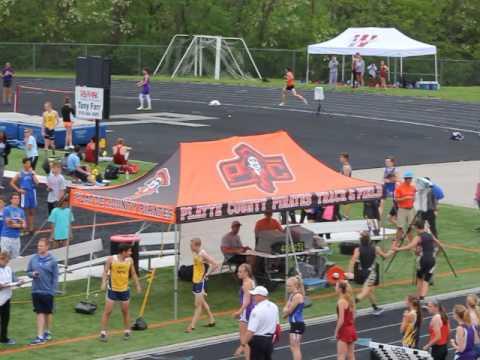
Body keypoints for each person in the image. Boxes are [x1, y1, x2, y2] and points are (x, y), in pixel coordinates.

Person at [100, 244, 142, 342]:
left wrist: (138, 285)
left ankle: (127, 331)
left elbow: (134, 273)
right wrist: (103, 283)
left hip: (124, 290)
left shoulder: (130, 260)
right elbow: (105, 271)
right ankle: (103, 333)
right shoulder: (111, 259)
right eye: (129, 251)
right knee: (107, 312)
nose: (131, 253)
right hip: (112, 289)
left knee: (125, 311)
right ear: (123, 252)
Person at [393, 219, 442, 301]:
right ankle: (422, 298)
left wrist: (397, 249)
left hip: (423, 259)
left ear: (416, 227)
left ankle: (418, 296)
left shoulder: (418, 237)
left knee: (419, 278)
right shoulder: (430, 235)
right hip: (432, 260)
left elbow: (410, 246)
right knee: (426, 279)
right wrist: (436, 254)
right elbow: (440, 244)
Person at [347, 232, 392, 315]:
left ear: (360, 240)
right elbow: (385, 256)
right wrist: (392, 250)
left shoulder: (357, 249)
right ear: (369, 240)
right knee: (364, 292)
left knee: (369, 291)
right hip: (371, 274)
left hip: (361, 272)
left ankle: (375, 308)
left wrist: (349, 273)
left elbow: (352, 260)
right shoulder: (375, 248)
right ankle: (349, 305)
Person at [27, 238, 59, 345]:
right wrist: (32, 274)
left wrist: (53, 290)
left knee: (48, 313)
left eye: (41, 246)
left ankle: (47, 332)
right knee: (40, 312)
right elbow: (28, 271)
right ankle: (40, 336)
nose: (39, 247)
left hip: (48, 291)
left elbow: (55, 277)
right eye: (38, 245)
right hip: (36, 291)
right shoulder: (33, 259)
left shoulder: (53, 260)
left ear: (47, 247)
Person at [186, 238, 220, 333]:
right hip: (195, 280)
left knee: (197, 305)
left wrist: (207, 275)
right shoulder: (194, 252)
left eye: (191, 245)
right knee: (203, 302)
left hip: (200, 281)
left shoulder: (202, 253)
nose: (190, 247)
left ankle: (191, 326)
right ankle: (212, 320)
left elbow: (215, 264)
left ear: (196, 245)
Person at [241, 285, 279, 360]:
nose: (253, 297)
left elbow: (251, 331)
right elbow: (277, 324)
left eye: (255, 295)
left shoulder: (256, 310)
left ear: (261, 296)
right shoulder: (274, 306)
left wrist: (243, 344)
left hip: (258, 341)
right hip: (269, 340)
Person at [10, 158, 39, 234]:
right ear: (24, 164)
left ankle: (31, 228)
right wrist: (19, 190)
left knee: (32, 211)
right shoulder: (20, 173)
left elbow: (37, 182)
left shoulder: (32, 172)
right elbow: (12, 182)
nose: (28, 165)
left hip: (32, 193)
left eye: (29, 163)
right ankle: (23, 227)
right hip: (25, 194)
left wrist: (32, 173)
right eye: (27, 163)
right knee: (24, 211)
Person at [233, 263, 256, 359]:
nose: (238, 273)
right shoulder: (251, 281)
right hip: (252, 310)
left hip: (247, 312)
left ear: (246, 272)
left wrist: (239, 312)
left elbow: (247, 301)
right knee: (249, 338)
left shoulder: (246, 284)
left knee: (244, 338)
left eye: (240, 271)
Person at [283, 276, 305, 360]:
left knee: (295, 347)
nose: (287, 288)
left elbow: (289, 310)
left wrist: (284, 315)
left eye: (289, 286)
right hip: (294, 324)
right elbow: (286, 307)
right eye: (287, 285)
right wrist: (286, 311)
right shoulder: (292, 295)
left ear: (295, 286)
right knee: (294, 347)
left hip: (297, 324)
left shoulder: (297, 296)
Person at [335, 281, 357, 360]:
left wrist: (336, 331)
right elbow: (354, 315)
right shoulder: (350, 299)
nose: (335, 288)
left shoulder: (341, 302)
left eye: (336, 286)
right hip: (351, 329)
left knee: (341, 356)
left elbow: (341, 320)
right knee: (351, 355)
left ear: (340, 289)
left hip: (344, 331)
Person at [0, 251, 18, 345]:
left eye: (8, 261)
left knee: (5, 319)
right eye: (6, 261)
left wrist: (20, 281)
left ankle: (3, 338)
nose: (7, 263)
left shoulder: (9, 269)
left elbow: (15, 279)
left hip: (6, 298)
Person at [394, 171, 416, 246]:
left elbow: (414, 196)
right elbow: (396, 199)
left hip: (411, 209)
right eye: (408, 178)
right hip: (402, 210)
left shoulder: (413, 187)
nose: (410, 180)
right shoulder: (399, 188)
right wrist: (405, 198)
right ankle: (396, 243)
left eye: (411, 178)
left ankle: (411, 243)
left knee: (411, 227)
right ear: (405, 179)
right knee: (400, 227)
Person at [0, 193, 25, 259]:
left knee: (15, 257)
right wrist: (20, 224)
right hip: (6, 237)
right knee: (4, 257)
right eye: (15, 198)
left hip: (16, 237)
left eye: (18, 198)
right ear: (11, 200)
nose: (17, 200)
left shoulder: (21, 211)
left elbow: (24, 225)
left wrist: (15, 223)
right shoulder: (6, 209)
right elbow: (9, 224)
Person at [339, 153, 352, 220]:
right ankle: (344, 215)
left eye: (341, 158)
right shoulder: (344, 166)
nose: (340, 159)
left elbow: (346, 178)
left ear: (345, 158)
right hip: (344, 186)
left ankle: (346, 215)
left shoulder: (346, 167)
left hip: (346, 186)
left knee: (347, 201)